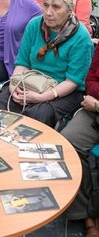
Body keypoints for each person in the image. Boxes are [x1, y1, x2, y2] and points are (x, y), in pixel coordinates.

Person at [0, 0, 93, 127]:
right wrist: (14, 85)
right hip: (33, 81)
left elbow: (73, 81)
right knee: (0, 103)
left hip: (66, 89)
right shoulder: (34, 25)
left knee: (37, 114)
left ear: (70, 10)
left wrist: (41, 97)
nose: (48, 12)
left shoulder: (81, 37)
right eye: (45, 5)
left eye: (56, 7)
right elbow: (22, 63)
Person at [60, 44, 99, 236]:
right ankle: (85, 214)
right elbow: (90, 79)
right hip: (93, 110)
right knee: (68, 142)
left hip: (96, 104)